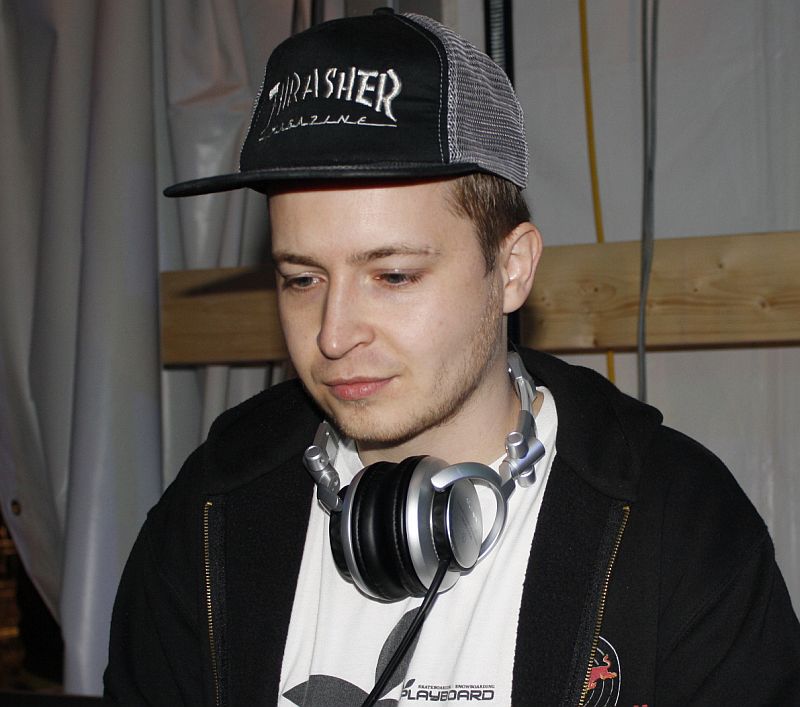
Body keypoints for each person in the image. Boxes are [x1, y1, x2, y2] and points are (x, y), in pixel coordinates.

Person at [104, 9, 800, 706]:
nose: (334, 336)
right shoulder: (210, 512)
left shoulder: (678, 527)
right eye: (302, 279)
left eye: (393, 275)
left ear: (512, 268)